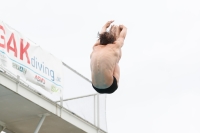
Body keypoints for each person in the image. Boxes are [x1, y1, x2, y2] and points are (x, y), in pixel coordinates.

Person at [90, 20, 127, 94]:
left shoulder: (95, 46)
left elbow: (101, 35)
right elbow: (122, 36)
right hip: (111, 87)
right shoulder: (115, 46)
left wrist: (105, 26)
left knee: (104, 59)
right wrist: (124, 28)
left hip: (95, 86)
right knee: (116, 60)